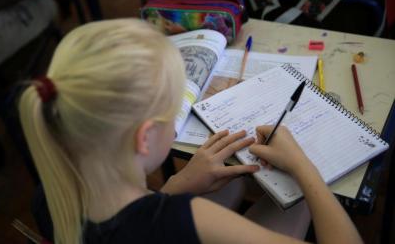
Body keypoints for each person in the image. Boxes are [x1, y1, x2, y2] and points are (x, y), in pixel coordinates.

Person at [19, 19, 363, 244]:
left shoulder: (50, 194)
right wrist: (305, 167)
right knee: (299, 201)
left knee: (237, 188)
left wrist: (173, 187)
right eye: (175, 110)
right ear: (145, 136)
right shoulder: (181, 220)